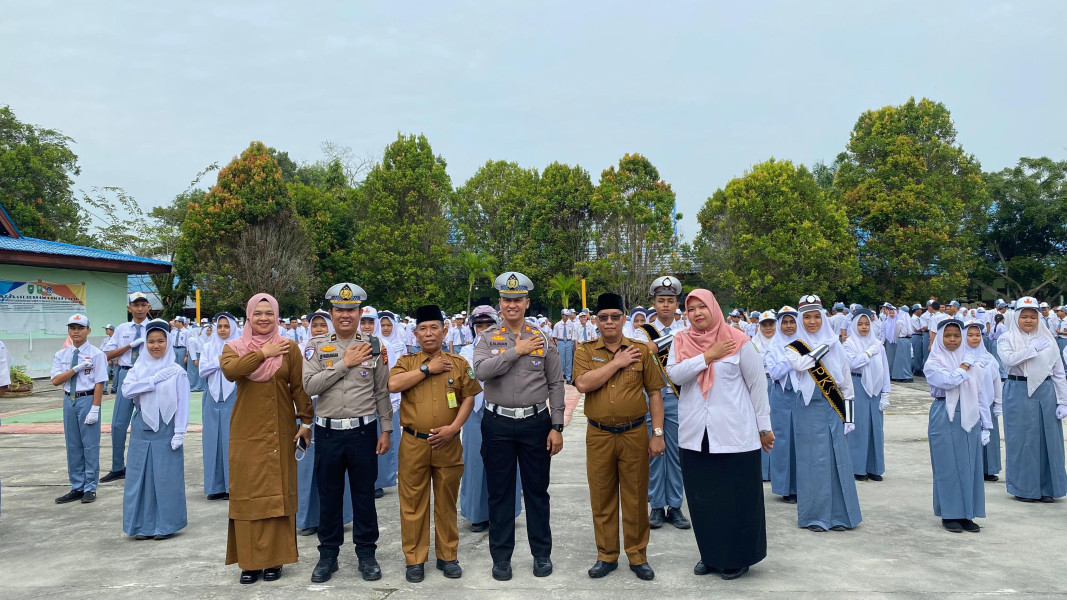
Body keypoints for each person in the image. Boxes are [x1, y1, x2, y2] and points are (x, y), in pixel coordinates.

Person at [666, 289, 771, 580]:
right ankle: (710, 555)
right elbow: (674, 375)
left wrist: (764, 427)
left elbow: (757, 386)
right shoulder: (681, 340)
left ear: (714, 307)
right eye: (691, 309)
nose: (698, 313)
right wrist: (706, 356)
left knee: (736, 499)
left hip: (735, 434)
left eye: (703, 307)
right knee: (703, 500)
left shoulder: (738, 340)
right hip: (696, 435)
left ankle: (738, 557)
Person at [473, 271, 565, 582]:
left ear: (527, 303)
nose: (512, 305)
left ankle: (541, 554)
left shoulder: (543, 339)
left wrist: (557, 426)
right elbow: (482, 372)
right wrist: (517, 351)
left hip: (535, 424)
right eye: (507, 300)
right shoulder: (487, 338)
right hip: (497, 423)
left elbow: (556, 383)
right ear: (500, 303)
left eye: (518, 300)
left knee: (537, 492)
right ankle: (501, 558)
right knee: (499, 494)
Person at [220, 293, 313, 585]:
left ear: (276, 316)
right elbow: (232, 373)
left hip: (281, 430)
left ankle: (275, 560)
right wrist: (263, 353)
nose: (263, 318)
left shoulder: (290, 348)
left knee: (277, 492)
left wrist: (307, 421)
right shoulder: (233, 347)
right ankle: (249, 562)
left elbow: (299, 387)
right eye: (258, 313)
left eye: (269, 313)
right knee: (248, 495)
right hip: (246, 433)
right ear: (249, 317)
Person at [302, 284, 392, 584]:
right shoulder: (316, 346)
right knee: (330, 496)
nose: (345, 315)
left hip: (363, 432)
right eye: (339, 310)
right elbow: (310, 386)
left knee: (364, 496)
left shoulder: (374, 346)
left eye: (351, 309)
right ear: (331, 313)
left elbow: (382, 392)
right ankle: (328, 555)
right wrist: (345, 364)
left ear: (359, 313)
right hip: (327, 433)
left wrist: (386, 428)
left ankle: (366, 554)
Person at [573, 293, 664, 581]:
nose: (609, 322)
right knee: (602, 497)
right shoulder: (585, 350)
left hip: (634, 432)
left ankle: (637, 555)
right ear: (595, 321)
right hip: (598, 435)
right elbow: (584, 384)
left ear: (624, 319)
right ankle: (606, 555)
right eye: (603, 317)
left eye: (615, 316)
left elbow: (654, 393)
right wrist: (617, 362)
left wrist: (657, 433)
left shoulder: (641, 350)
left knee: (636, 497)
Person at [388, 305, 479, 582]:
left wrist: (454, 428)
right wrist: (428, 369)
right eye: (423, 329)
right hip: (414, 442)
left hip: (448, 442)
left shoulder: (459, 363)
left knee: (446, 502)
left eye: (434, 328)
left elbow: (469, 397)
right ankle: (414, 559)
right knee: (413, 503)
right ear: (415, 333)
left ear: (445, 330)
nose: (429, 334)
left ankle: (447, 556)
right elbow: (393, 385)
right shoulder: (407, 362)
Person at [785, 295, 862, 532]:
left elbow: (846, 382)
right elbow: (799, 365)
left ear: (823, 317)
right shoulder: (794, 346)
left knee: (836, 459)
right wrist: (823, 347)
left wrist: (849, 416)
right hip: (808, 408)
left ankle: (840, 516)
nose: (812, 321)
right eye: (806, 317)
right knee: (812, 462)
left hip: (833, 405)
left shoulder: (836, 346)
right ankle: (815, 516)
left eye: (816, 316)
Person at [120, 319, 189, 539]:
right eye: (151, 341)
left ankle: (165, 525)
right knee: (140, 477)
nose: (156, 345)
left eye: (160, 341)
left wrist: (179, 432)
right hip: (142, 426)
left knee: (165, 478)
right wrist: (152, 381)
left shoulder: (177, 371)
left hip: (167, 428)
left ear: (168, 343)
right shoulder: (138, 368)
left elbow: (183, 403)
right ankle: (141, 525)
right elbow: (126, 391)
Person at [632, 276, 691, 530]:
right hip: (650, 397)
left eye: (670, 300)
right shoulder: (641, 332)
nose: (665, 305)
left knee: (677, 453)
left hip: (680, 397)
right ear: (653, 303)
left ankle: (675, 506)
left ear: (677, 303)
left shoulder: (687, 332)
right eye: (660, 300)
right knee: (654, 453)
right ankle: (656, 505)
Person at [459, 306, 522, 532]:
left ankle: (505, 512)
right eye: (479, 326)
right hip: (475, 411)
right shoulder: (465, 352)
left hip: (503, 410)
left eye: (488, 325)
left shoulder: (510, 346)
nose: (483, 330)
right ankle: (477, 514)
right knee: (475, 463)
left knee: (505, 462)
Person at [924, 319, 992, 532]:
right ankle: (950, 514)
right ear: (940, 338)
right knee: (948, 465)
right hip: (944, 412)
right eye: (948, 335)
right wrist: (965, 367)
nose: (952, 340)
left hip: (969, 411)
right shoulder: (933, 361)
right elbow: (947, 381)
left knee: (969, 464)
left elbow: (980, 394)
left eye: (956, 335)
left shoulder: (971, 359)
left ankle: (967, 513)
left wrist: (986, 424)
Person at [998, 296, 1067, 503]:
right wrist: (1031, 349)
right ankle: (1024, 488)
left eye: (1033, 317)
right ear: (1016, 317)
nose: (1029, 321)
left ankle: (1048, 488)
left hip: (1045, 392)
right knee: (1023, 440)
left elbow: (1058, 372)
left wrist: (1063, 401)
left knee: (1048, 440)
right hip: (1018, 389)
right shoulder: (1006, 337)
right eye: (1024, 316)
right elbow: (1009, 360)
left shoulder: (1048, 339)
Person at [295, 312, 354, 537]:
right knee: (307, 468)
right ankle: (308, 518)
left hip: (334, 417)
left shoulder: (341, 349)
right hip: (307, 415)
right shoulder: (302, 350)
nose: (318, 329)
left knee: (336, 470)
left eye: (323, 325)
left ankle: (340, 517)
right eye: (315, 325)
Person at [50, 314, 109, 504]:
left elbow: (100, 382)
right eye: (72, 328)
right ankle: (77, 485)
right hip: (69, 399)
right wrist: (75, 369)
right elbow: (56, 381)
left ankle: (90, 487)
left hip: (88, 398)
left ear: (88, 331)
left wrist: (95, 408)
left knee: (89, 445)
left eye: (80, 328)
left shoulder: (97, 353)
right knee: (73, 445)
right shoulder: (62, 354)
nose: (76, 331)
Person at [100, 292, 153, 483]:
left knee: (148, 421)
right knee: (118, 423)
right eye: (135, 305)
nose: (139, 308)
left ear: (148, 307)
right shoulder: (122, 329)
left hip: (147, 374)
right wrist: (129, 345)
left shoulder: (155, 327)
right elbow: (106, 354)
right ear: (129, 308)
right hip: (126, 373)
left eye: (143, 305)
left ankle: (143, 464)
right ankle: (117, 467)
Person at [843, 310, 891, 482]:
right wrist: (868, 354)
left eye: (866, 324)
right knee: (859, 428)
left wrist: (886, 392)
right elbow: (852, 363)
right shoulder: (848, 344)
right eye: (860, 324)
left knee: (875, 429)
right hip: (857, 386)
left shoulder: (878, 344)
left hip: (875, 389)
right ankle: (858, 468)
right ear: (854, 325)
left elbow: (885, 369)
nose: (863, 327)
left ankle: (874, 468)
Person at [198, 313, 238, 500]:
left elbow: (239, 368)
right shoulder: (207, 346)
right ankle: (214, 486)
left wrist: (217, 363)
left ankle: (232, 486)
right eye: (220, 326)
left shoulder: (239, 346)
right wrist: (221, 361)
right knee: (212, 440)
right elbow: (202, 370)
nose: (222, 329)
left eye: (226, 326)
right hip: (212, 396)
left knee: (231, 440)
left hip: (233, 395)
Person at [765, 306, 801, 503]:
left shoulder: (807, 342)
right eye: (785, 322)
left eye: (792, 321)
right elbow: (775, 373)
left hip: (803, 395)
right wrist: (793, 359)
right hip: (781, 394)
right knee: (783, 441)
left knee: (802, 440)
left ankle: (803, 484)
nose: (789, 326)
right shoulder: (773, 345)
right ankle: (786, 487)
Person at [962, 319, 1004, 483]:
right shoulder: (959, 357)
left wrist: (998, 403)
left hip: (987, 402)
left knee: (989, 438)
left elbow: (996, 382)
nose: (975, 338)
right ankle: (970, 468)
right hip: (967, 405)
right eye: (970, 335)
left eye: (978, 335)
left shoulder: (989, 359)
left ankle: (988, 469)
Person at [374, 310, 407, 498]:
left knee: (391, 437)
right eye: (383, 325)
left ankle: (388, 476)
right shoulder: (376, 344)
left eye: (388, 325)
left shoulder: (398, 344)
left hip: (392, 394)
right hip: (373, 396)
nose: (385, 328)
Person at [751, 310, 778, 482]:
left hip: (779, 384)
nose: (768, 328)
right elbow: (755, 362)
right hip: (761, 384)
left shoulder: (782, 341)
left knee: (778, 426)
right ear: (759, 326)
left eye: (771, 324)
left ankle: (777, 470)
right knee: (760, 425)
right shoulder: (753, 342)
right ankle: (762, 471)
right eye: (764, 325)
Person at [552, 309, 575, 384]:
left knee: (569, 360)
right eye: (565, 315)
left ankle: (568, 377)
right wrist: (557, 346)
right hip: (561, 342)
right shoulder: (557, 325)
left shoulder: (571, 324)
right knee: (561, 360)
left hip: (569, 341)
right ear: (562, 315)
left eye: (568, 315)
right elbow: (554, 337)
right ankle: (561, 376)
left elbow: (573, 334)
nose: (567, 316)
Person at [101, 325, 115, 394]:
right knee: (106, 373)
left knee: (116, 374)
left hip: (116, 358)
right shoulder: (105, 340)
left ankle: (114, 388)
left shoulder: (116, 338)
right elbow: (102, 350)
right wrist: (107, 359)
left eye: (107, 329)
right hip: (107, 358)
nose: (106, 331)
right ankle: (104, 389)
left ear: (111, 330)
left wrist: (117, 359)